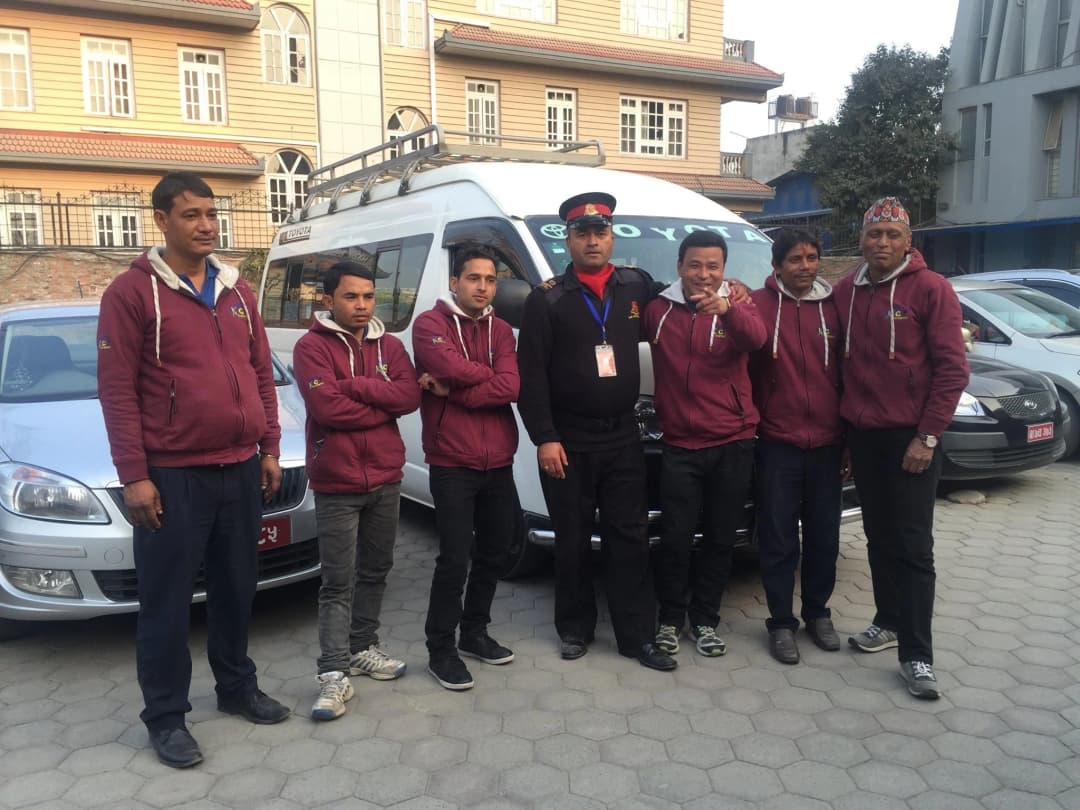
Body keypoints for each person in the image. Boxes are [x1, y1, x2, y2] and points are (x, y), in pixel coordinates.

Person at [97, 172, 289, 769]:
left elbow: (260, 373)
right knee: (167, 601)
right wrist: (134, 475)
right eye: (191, 215)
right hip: (173, 476)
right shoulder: (131, 294)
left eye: (211, 213)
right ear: (161, 220)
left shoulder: (237, 290)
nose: (206, 225)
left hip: (240, 469)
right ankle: (166, 717)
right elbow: (117, 391)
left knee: (236, 589)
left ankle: (236, 687)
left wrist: (269, 446)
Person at [517, 192, 727, 671]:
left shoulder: (636, 287)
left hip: (622, 438)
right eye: (582, 234)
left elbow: (685, 297)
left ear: (611, 238)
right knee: (572, 538)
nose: (592, 241)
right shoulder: (546, 299)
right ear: (568, 240)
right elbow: (531, 376)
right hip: (568, 441)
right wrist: (545, 436)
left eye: (601, 232)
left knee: (629, 539)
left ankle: (637, 637)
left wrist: (731, 293)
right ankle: (575, 629)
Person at [835, 196, 969, 700]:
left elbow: (953, 370)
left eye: (893, 234)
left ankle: (917, 655)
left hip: (913, 438)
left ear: (909, 241)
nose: (883, 243)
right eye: (875, 234)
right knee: (878, 536)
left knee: (913, 547)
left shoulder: (932, 289)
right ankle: (888, 620)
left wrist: (927, 436)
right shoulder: (846, 291)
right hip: (863, 435)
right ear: (862, 239)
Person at [291, 261, 421, 721]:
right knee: (337, 580)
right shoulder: (311, 347)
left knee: (377, 568)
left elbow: (410, 397)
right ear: (328, 300)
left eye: (368, 296)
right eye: (351, 297)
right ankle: (332, 672)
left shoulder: (390, 345)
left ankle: (363, 646)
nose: (363, 305)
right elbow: (327, 409)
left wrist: (358, 387)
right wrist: (381, 401)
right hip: (337, 482)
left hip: (385, 477)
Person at [645, 231, 767, 659]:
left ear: (723, 269)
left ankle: (705, 621)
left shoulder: (738, 302)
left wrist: (729, 311)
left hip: (733, 440)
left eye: (713, 266)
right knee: (675, 538)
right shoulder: (658, 309)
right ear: (680, 266)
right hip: (680, 443)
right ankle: (669, 619)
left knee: (720, 538)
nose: (703, 274)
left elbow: (756, 339)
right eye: (695, 265)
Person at [411, 245, 521, 691]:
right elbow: (448, 365)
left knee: (496, 551)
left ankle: (474, 632)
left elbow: (512, 385)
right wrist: (487, 376)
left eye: (490, 280)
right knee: (454, 560)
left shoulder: (503, 330)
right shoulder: (430, 325)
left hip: (498, 460)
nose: (483, 287)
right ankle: (440, 650)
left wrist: (454, 391)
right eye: (474, 278)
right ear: (454, 282)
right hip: (452, 461)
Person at [750, 229, 844, 665]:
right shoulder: (757, 304)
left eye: (812, 258)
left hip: (828, 442)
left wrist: (847, 438)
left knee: (824, 536)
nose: (805, 267)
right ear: (777, 265)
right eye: (795, 259)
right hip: (777, 441)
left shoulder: (835, 307)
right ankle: (781, 623)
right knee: (778, 538)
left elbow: (848, 371)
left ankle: (818, 613)